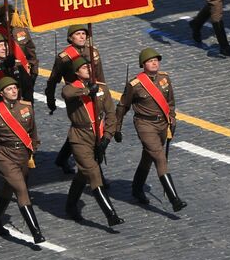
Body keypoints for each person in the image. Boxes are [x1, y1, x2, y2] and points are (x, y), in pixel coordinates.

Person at [114, 47, 187, 211]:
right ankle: (174, 199)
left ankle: (137, 188)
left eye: (156, 60)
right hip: (145, 125)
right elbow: (122, 106)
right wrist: (117, 128)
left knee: (148, 156)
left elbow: (170, 102)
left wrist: (172, 120)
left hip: (162, 124)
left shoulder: (165, 78)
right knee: (160, 157)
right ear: (143, 64)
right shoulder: (135, 84)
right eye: (150, 61)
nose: (154, 63)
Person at [0, 75, 45, 244]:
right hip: (5, 155)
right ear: (2, 93)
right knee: (21, 189)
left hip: (23, 154)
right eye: (9, 89)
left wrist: (33, 149)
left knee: (8, 189)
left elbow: (33, 131)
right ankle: (36, 232)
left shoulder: (27, 107)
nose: (13, 91)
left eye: (15, 88)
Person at [61, 59, 123, 228]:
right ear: (76, 72)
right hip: (80, 137)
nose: (88, 69)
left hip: (97, 136)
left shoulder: (101, 88)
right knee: (94, 172)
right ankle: (111, 214)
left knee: (84, 172)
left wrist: (107, 137)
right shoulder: (72, 87)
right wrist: (88, 90)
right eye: (83, 68)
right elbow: (66, 93)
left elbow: (111, 114)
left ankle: (70, 205)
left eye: (89, 66)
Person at [44, 23, 105, 173]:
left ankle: (62, 159)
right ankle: (97, 173)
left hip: (94, 93)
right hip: (76, 96)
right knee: (83, 127)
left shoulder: (93, 52)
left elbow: (100, 76)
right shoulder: (64, 58)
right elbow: (53, 79)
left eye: (83, 34)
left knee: (85, 129)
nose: (82, 37)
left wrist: (103, 94)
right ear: (70, 38)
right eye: (77, 34)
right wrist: (50, 100)